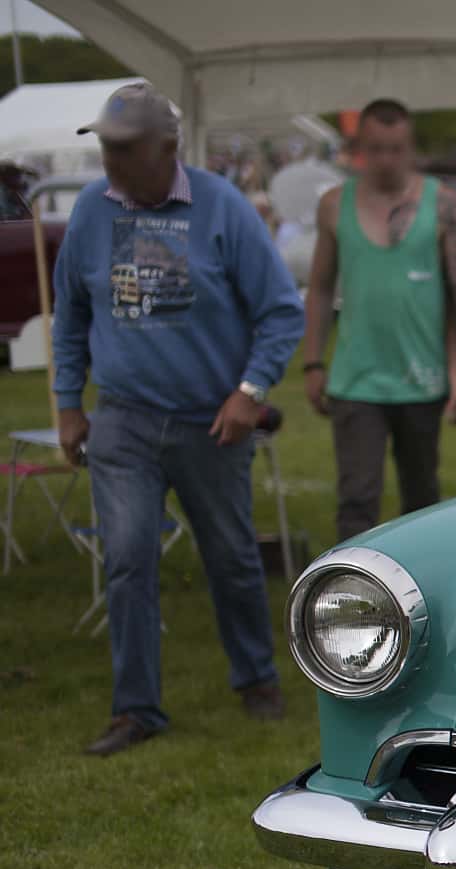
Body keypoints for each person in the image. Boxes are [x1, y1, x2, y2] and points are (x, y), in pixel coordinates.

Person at [51, 83, 304, 756]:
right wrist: (68, 403)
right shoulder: (91, 210)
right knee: (127, 558)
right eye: (105, 146)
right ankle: (135, 709)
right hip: (123, 419)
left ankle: (256, 677)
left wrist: (249, 392)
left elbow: (282, 312)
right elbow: (70, 314)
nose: (110, 159)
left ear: (168, 148)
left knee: (231, 556)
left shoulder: (223, 207)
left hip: (210, 421)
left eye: (124, 147)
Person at [301, 99, 456, 543]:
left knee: (421, 501)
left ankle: (420, 583)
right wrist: (313, 361)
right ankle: (349, 585)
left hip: (421, 378)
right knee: (357, 500)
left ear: (411, 147)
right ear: (359, 148)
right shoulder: (334, 205)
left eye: (396, 149)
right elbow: (320, 288)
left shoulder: (442, 203)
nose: (386, 159)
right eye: (376, 149)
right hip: (356, 380)